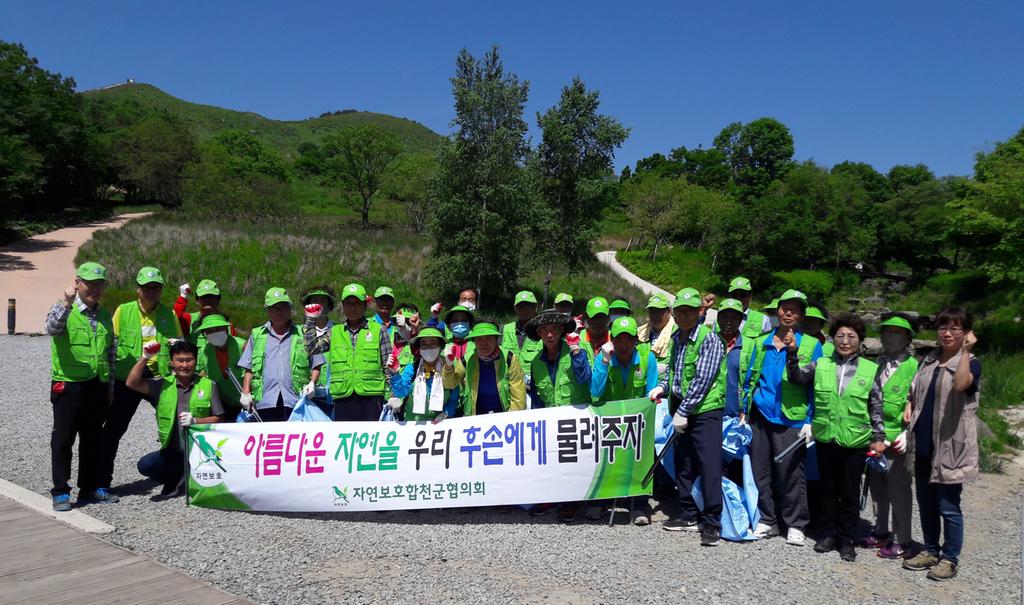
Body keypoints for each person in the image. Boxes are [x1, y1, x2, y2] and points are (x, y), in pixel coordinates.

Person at [786, 312, 887, 562]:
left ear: (859, 340)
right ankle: (828, 534)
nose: (845, 341)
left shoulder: (870, 369)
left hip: (855, 440)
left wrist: (878, 437)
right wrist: (792, 354)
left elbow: (876, 405)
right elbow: (797, 378)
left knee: (850, 492)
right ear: (833, 339)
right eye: (840, 336)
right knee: (827, 489)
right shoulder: (822, 364)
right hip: (826, 437)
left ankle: (847, 539)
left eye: (851, 336)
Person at [902, 307, 981, 582]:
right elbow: (916, 390)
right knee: (926, 503)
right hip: (924, 443)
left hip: (950, 446)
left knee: (948, 506)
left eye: (955, 328)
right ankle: (930, 551)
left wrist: (965, 352)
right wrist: (909, 403)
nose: (947, 333)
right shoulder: (929, 360)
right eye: (943, 327)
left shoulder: (971, 362)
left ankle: (950, 559)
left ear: (966, 332)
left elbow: (961, 384)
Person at [647, 288, 726, 546]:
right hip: (681, 408)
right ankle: (689, 513)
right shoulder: (676, 338)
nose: (684, 315)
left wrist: (684, 410)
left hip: (705, 411)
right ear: (674, 313)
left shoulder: (709, 339)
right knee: (684, 462)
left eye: (689, 311)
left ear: (699, 312)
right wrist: (663, 387)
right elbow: (675, 373)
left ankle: (712, 522)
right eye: (680, 311)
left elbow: (703, 380)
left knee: (709, 465)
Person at [744, 289, 821, 546]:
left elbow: (816, 386)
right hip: (761, 415)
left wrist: (810, 419)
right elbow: (751, 379)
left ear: (802, 315)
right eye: (784, 307)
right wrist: (745, 410)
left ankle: (795, 523)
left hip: (792, 418)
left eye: (795, 309)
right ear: (777, 310)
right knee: (761, 470)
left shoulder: (811, 345)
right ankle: (768, 519)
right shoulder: (761, 342)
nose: (788, 312)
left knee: (791, 473)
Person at [99, 266, 182, 501]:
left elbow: (178, 345)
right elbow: (112, 347)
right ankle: (101, 482)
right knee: (113, 430)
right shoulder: (123, 311)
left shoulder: (169, 314)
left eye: (156, 287)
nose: (151, 292)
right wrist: (110, 384)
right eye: (147, 288)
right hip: (128, 377)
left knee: (175, 425)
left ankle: (178, 474)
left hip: (160, 377)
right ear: (138, 289)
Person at [45, 262, 115, 511]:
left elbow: (111, 352)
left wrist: (110, 386)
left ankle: (88, 488)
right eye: (90, 284)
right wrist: (66, 303)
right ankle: (60, 491)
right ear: (77, 283)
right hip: (69, 384)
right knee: (63, 439)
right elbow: (52, 329)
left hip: (97, 384)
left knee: (92, 439)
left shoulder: (105, 315)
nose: (95, 289)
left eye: (100, 284)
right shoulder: (64, 308)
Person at [127, 340, 227, 498]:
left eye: (189, 360)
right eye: (180, 361)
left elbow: (219, 419)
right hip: (174, 451)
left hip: (200, 451)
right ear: (171, 362)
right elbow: (131, 383)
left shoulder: (208, 385)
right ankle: (175, 478)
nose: (185, 365)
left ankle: (190, 474)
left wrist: (196, 421)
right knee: (146, 465)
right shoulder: (162, 385)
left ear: (196, 361)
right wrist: (145, 358)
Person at [590, 316, 659, 525]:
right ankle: (601, 501)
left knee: (642, 458)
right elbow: (595, 392)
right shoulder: (603, 357)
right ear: (612, 340)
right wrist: (604, 361)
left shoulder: (647, 358)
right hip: (609, 422)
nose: (623, 345)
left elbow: (650, 393)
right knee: (604, 458)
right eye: (619, 339)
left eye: (629, 339)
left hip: (637, 421)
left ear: (636, 341)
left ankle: (639, 504)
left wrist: (655, 393)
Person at [524, 309, 591, 521]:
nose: (549, 334)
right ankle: (550, 497)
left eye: (554, 329)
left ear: (562, 330)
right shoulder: (536, 361)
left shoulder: (577, 350)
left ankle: (571, 502)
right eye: (544, 330)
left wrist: (576, 352)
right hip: (550, 420)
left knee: (573, 461)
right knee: (550, 460)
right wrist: (537, 422)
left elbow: (585, 379)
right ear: (539, 333)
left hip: (577, 418)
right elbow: (536, 395)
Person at [864, 314, 919, 559]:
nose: (890, 337)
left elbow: (918, 403)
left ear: (907, 338)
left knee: (899, 489)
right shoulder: (876, 364)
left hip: (898, 440)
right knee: (877, 486)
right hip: (874, 436)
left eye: (897, 332)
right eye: (886, 332)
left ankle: (902, 538)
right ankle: (880, 529)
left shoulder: (915, 367)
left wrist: (908, 433)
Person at [238, 287, 322, 422]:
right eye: (275, 308)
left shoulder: (304, 333)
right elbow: (248, 367)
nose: (279, 312)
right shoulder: (257, 335)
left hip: (296, 402)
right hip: (265, 402)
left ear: (290, 310)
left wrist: (312, 383)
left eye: (283, 307)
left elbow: (316, 363)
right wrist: (246, 392)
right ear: (268, 311)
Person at [323, 283, 395, 421]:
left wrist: (393, 394)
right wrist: (310, 319)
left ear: (365, 306)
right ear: (343, 306)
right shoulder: (334, 332)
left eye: (357, 303)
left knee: (372, 434)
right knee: (345, 434)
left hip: (372, 397)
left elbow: (388, 365)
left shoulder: (379, 329)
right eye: (348, 304)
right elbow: (312, 348)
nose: (353, 308)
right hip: (343, 396)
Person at [451, 322, 527, 416]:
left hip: (504, 414)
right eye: (479, 338)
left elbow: (518, 397)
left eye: (489, 338)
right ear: (474, 341)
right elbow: (451, 384)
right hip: (474, 415)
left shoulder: (509, 358)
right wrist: (448, 366)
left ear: (496, 340)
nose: (484, 343)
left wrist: (510, 419)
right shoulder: (466, 359)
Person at [386, 328, 460, 422]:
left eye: (433, 343)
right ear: (419, 348)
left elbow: (454, 397)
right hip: (413, 423)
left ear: (440, 346)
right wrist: (395, 373)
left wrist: (446, 413)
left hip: (440, 425)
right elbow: (401, 393)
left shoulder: (449, 367)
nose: (428, 347)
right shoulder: (412, 368)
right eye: (424, 344)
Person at [194, 314, 246, 419]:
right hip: (224, 403)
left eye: (218, 329)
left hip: (248, 401)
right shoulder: (205, 351)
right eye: (209, 331)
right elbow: (201, 374)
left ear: (226, 329)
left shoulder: (243, 346)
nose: (214, 333)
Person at [173, 279, 235, 349]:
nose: (208, 300)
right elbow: (176, 318)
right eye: (204, 297)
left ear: (218, 299)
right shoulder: (190, 319)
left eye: (211, 297)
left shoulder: (227, 325)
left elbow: (234, 348)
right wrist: (183, 296)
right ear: (197, 300)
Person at [638, 293, 676, 383]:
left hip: (664, 386)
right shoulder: (640, 333)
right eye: (652, 311)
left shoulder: (676, 334)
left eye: (659, 311)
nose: (655, 315)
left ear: (669, 312)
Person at [501, 290, 542, 367]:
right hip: (510, 374)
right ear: (515, 308)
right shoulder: (505, 329)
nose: (524, 309)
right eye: (520, 306)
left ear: (535, 307)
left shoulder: (543, 330)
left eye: (528, 305)